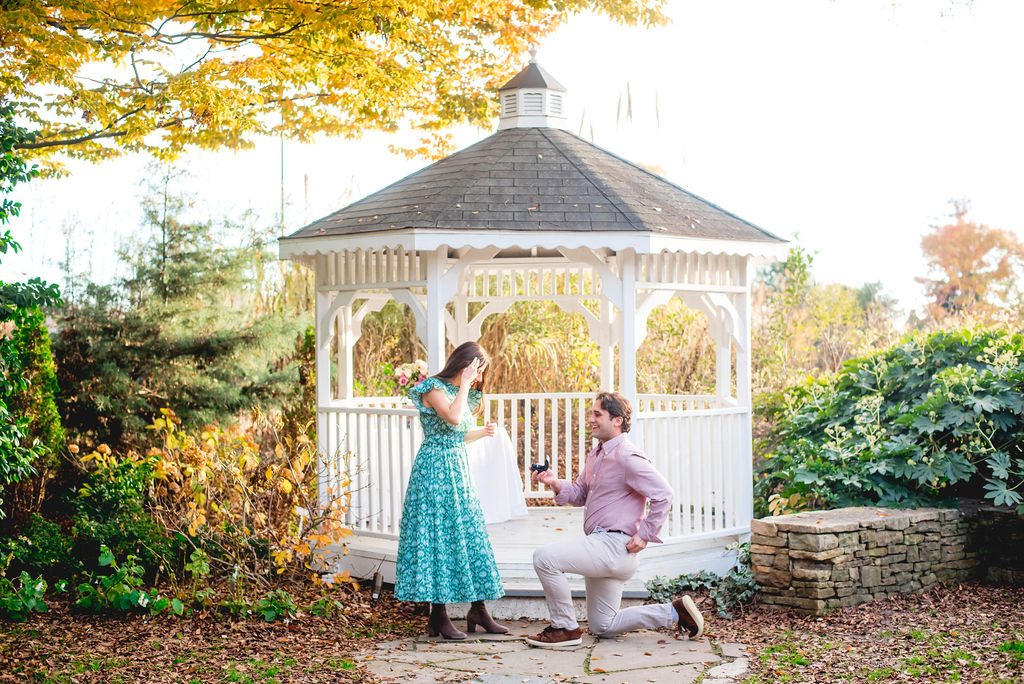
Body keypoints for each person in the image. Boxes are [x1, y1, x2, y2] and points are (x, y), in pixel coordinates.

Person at [526, 391, 704, 647]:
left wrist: (644, 535)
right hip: (604, 548)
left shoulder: (627, 456)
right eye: (591, 414)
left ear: (617, 420)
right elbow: (579, 495)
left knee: (544, 558)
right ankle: (674, 612)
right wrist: (554, 482)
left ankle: (564, 628)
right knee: (604, 625)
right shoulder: (597, 454)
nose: (591, 419)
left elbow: (664, 494)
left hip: (613, 546)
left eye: (597, 414)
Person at [394, 341, 508, 640]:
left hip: (457, 468)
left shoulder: (463, 393)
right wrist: (466, 383)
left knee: (469, 533)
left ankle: (479, 609)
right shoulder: (433, 387)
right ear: (465, 364)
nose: (479, 379)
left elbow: (458, 434)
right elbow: (454, 418)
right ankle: (438, 615)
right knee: (439, 537)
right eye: (477, 371)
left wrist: (482, 432)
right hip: (433, 470)